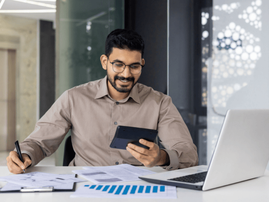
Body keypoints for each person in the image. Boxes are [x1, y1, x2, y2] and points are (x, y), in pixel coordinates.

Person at [6, 29, 198, 174]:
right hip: (83, 186)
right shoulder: (74, 98)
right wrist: (25, 155)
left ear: (142, 64)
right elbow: (40, 142)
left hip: (137, 189)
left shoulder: (160, 103)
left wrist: (161, 157)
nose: (126, 74)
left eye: (134, 66)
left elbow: (188, 155)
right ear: (105, 62)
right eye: (118, 65)